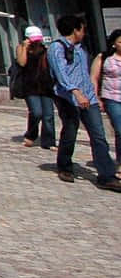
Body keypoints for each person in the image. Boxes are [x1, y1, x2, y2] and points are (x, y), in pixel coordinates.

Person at [47, 14, 121, 189]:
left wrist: (92, 95)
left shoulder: (80, 48)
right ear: (75, 29)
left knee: (98, 136)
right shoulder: (56, 48)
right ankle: (65, 166)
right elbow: (61, 73)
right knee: (70, 131)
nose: (84, 32)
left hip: (89, 97)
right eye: (82, 28)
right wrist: (76, 93)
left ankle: (106, 176)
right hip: (67, 97)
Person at [14, 25, 56, 149]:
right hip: (30, 86)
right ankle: (31, 135)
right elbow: (22, 63)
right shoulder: (21, 48)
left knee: (48, 115)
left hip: (45, 85)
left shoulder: (45, 49)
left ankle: (49, 141)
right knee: (36, 112)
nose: (37, 42)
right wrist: (25, 47)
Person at [99, 30, 121, 162]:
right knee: (120, 130)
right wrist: (96, 97)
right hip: (112, 97)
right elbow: (94, 78)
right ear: (114, 44)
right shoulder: (105, 58)